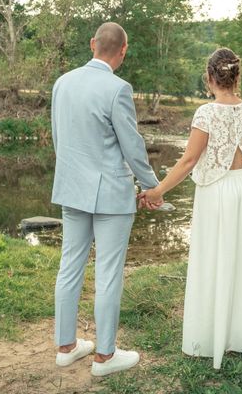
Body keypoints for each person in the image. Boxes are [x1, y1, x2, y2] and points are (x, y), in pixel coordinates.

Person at [138, 47, 242, 369]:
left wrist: (157, 190)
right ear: (236, 77)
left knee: (212, 260)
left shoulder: (206, 113)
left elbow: (190, 160)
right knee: (239, 261)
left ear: (209, 78)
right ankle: (236, 337)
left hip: (216, 193)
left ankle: (208, 338)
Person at [51, 22, 163, 377]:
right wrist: (152, 186)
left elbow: (59, 138)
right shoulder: (118, 89)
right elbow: (132, 146)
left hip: (71, 188)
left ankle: (66, 347)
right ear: (123, 51)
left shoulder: (62, 82)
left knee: (70, 266)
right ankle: (104, 356)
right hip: (111, 195)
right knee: (108, 272)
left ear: (92, 44)